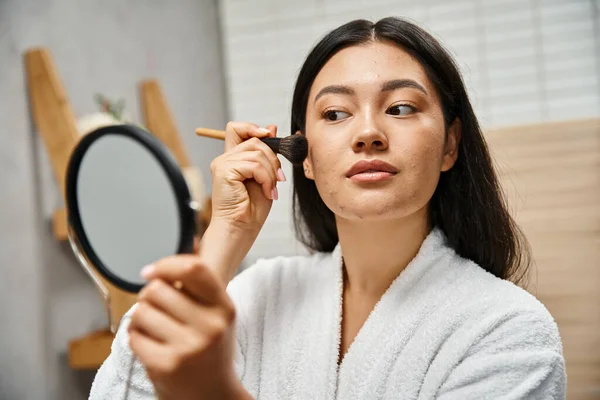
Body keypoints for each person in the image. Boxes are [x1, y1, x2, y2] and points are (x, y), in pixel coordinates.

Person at [89, 17, 566, 400]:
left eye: (400, 108)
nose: (367, 133)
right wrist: (225, 236)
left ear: (450, 145)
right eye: (335, 114)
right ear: (305, 155)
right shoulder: (255, 294)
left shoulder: (508, 330)